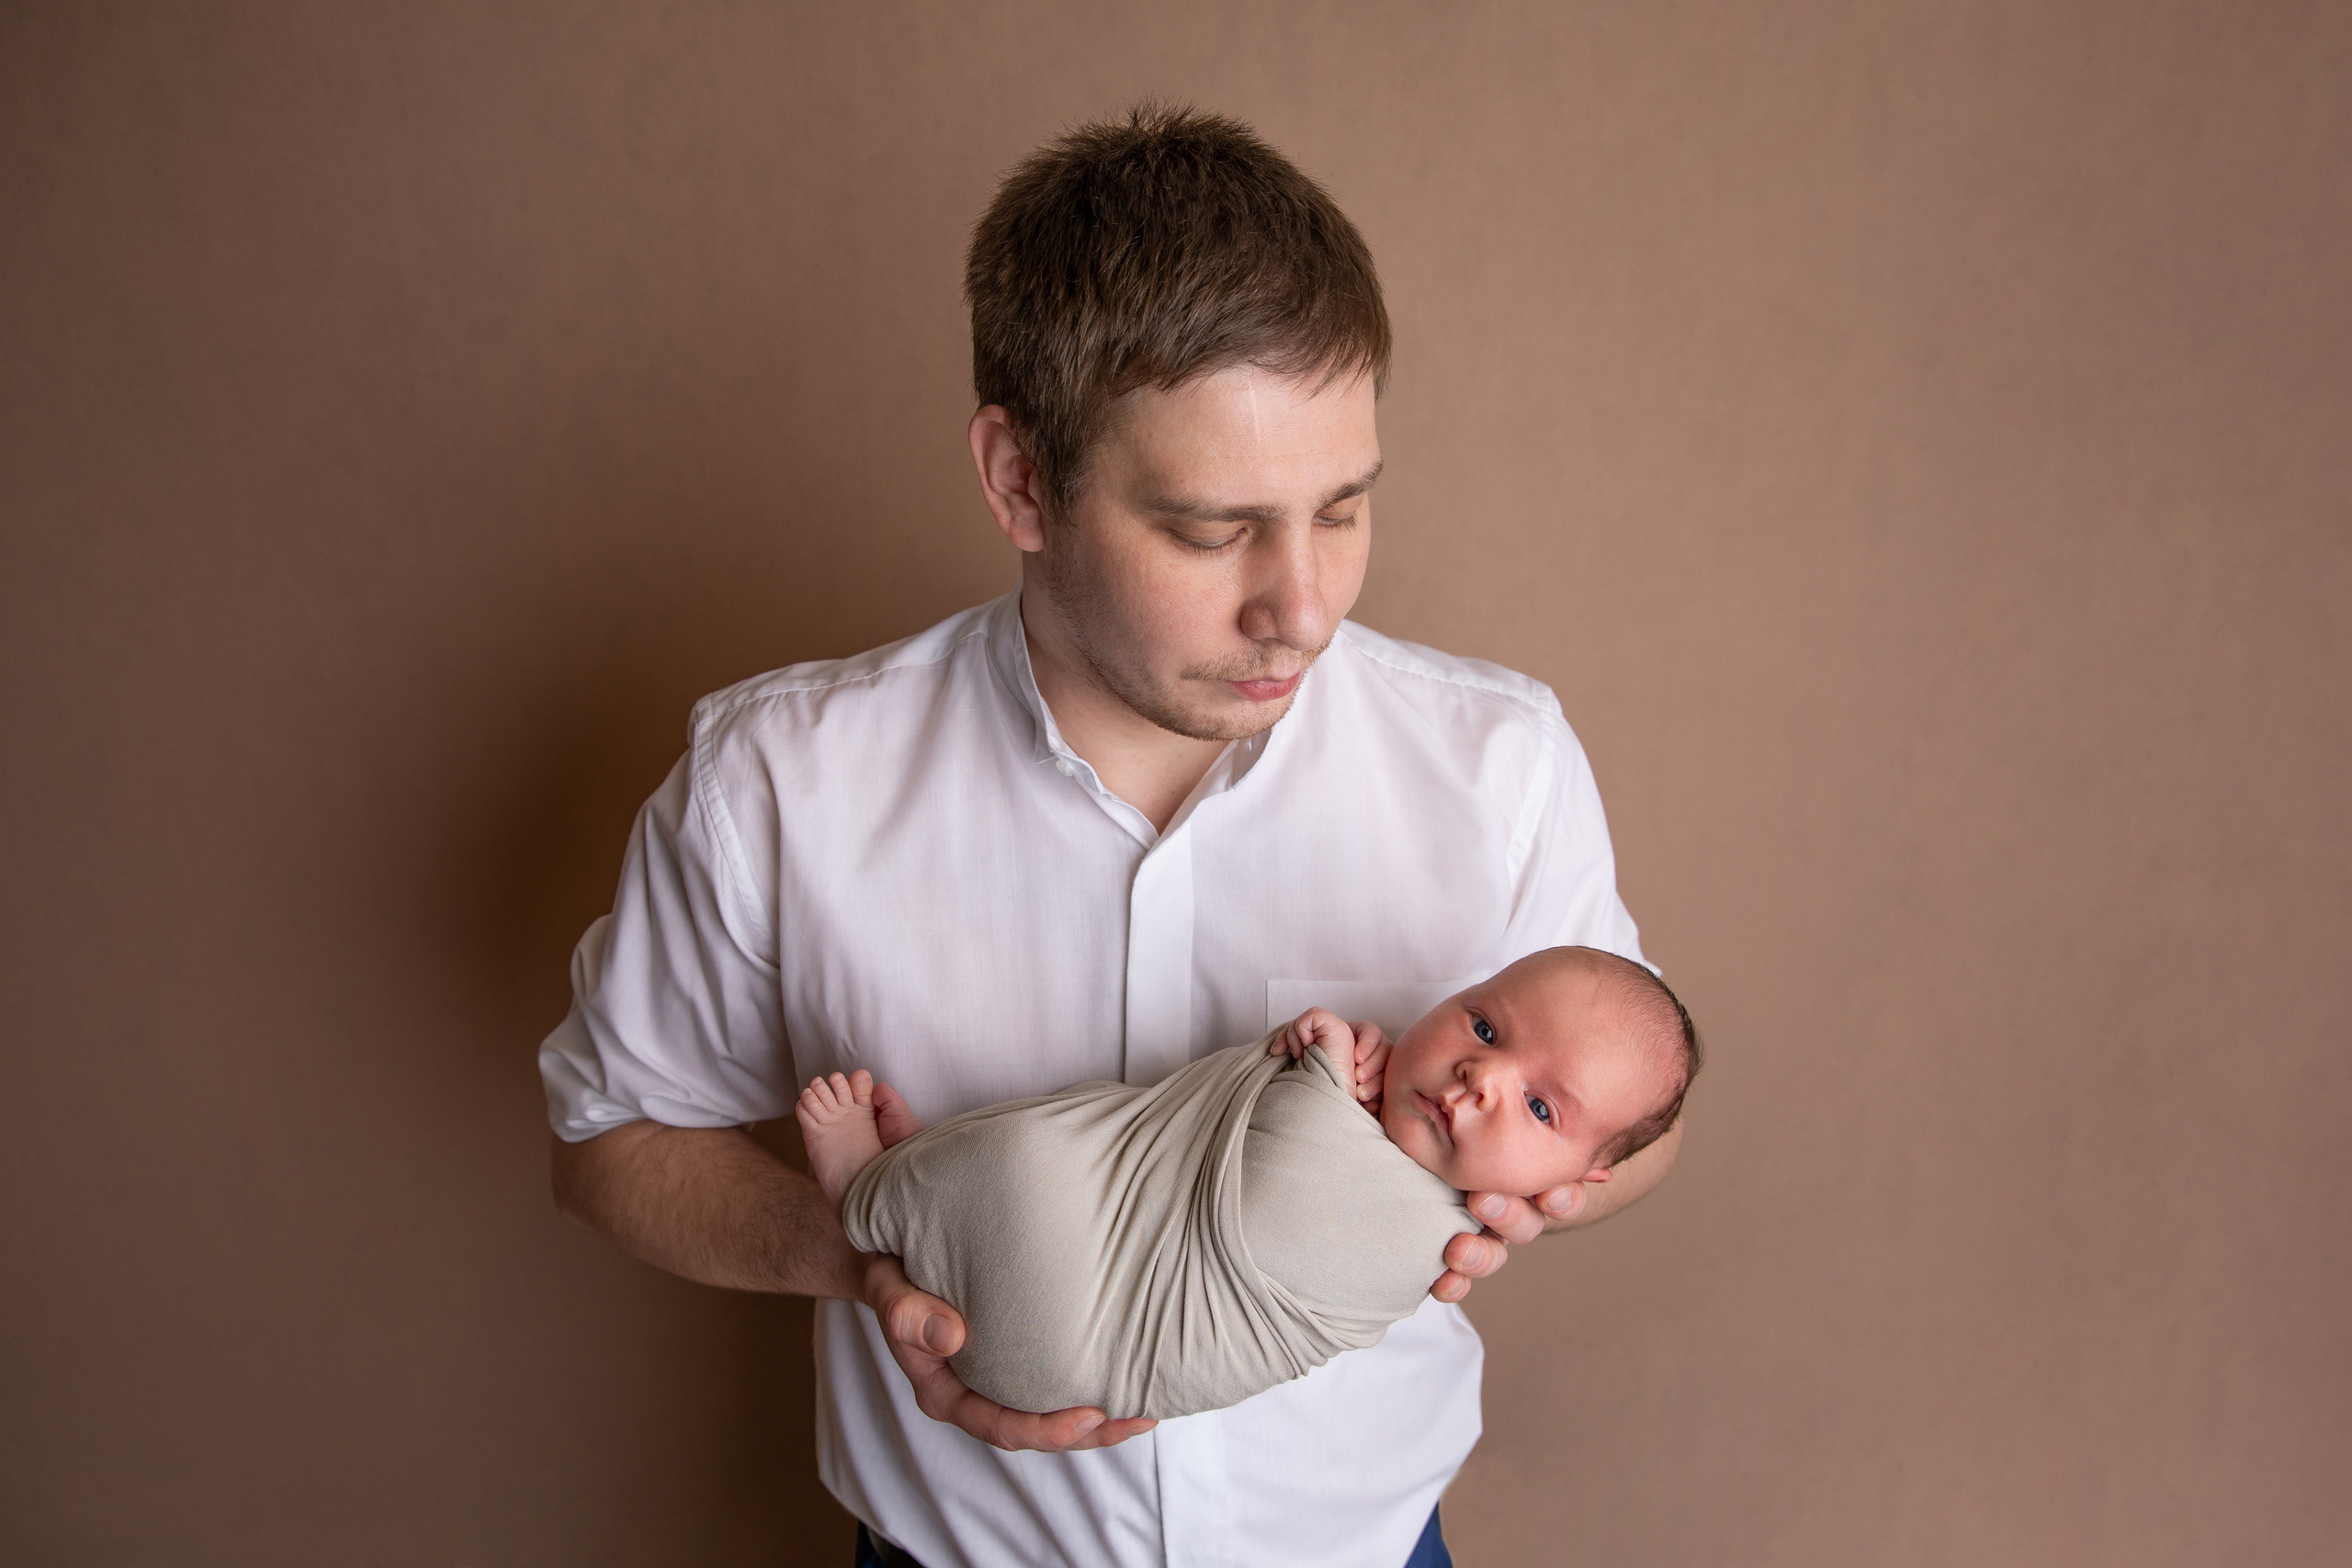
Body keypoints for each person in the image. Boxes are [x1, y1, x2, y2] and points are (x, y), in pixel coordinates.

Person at [541, 105, 1685, 1568]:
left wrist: (1548, 1185)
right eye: (1215, 531)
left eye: (1345, 507)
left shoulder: (1499, 759)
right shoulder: (779, 780)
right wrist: (874, 1260)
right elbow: (607, 1139)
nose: (1307, 606)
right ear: (1021, 480)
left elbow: (1628, 1108)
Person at [794, 947, 1701, 1422]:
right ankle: (918, 1190)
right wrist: (1338, 1072)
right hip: (989, 1455)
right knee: (1074, 1128)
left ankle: (872, 1192)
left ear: (1571, 1182)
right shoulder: (1373, 1110)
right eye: (1485, 1027)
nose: (1481, 1077)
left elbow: (1274, 1190)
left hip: (1066, 1332)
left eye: (1541, 1110)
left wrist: (1321, 1065)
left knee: (1030, 1165)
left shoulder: (1417, 1239)